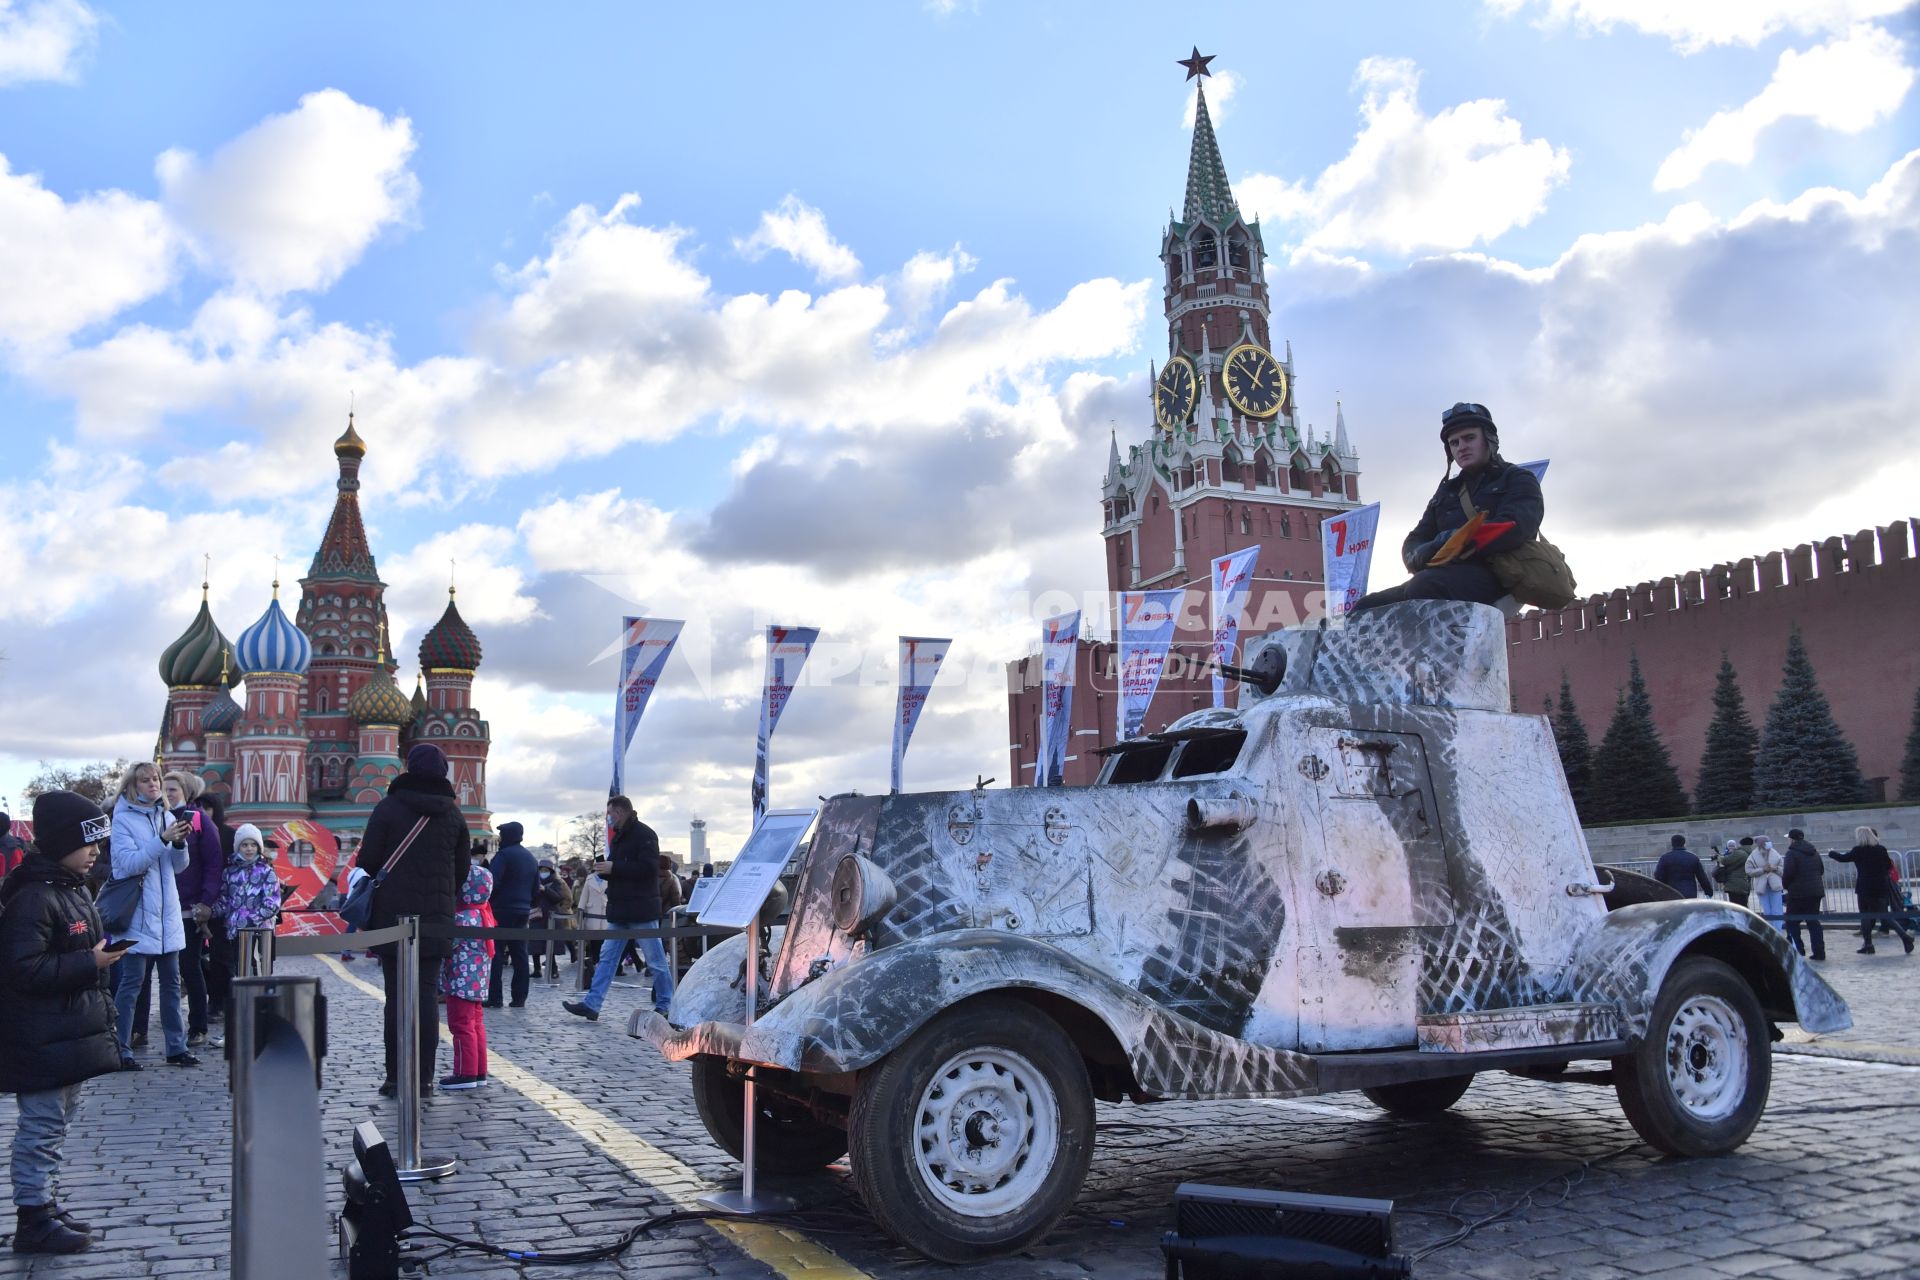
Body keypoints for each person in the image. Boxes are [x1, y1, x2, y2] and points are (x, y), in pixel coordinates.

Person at [0, 791, 123, 1255]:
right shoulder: (35, 896)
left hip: (62, 1034)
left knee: (56, 1126)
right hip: (41, 1036)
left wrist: (96, 957)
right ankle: (33, 1217)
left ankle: (45, 1204)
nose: (96, 851)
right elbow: (23, 969)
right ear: (59, 843)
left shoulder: (68, 889)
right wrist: (90, 961)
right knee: (41, 1128)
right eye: (88, 842)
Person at [1351, 402, 1544, 613]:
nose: (1461, 447)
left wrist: (1456, 541)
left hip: (1500, 575)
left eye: (1469, 438)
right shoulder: (1447, 492)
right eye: (1454, 442)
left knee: (1425, 585)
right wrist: (1436, 547)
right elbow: (1414, 541)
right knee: (1365, 607)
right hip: (1443, 574)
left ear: (1488, 439)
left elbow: (1514, 527)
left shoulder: (1517, 479)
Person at [359, 742, 470, 1097]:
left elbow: (368, 859)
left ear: (409, 767)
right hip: (436, 920)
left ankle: (395, 1077)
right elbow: (462, 871)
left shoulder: (389, 807)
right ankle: (422, 1080)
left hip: (393, 917)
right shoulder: (454, 816)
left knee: (396, 998)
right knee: (425, 997)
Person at [109, 761, 195, 1069]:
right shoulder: (122, 821)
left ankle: (176, 1047)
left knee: (172, 984)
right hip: (137, 916)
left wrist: (180, 842)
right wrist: (162, 840)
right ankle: (121, 1049)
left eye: (156, 779)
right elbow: (128, 865)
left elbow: (178, 866)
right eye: (146, 780)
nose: (154, 784)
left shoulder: (166, 815)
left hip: (166, 916)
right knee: (131, 986)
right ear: (133, 786)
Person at [565, 796, 672, 1023]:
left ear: (621, 812)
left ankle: (666, 1004)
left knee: (656, 962)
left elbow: (648, 869)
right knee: (607, 960)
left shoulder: (645, 835)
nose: (608, 818)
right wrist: (606, 870)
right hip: (620, 909)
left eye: (610, 813)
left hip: (641, 910)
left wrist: (615, 867)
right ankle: (592, 1004)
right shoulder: (619, 837)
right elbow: (622, 869)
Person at [440, 860, 494, 1090]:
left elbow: (449, 945)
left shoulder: (463, 917)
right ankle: (479, 1069)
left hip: (461, 981)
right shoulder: (484, 914)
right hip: (478, 981)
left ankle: (465, 1072)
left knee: (461, 1025)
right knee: (476, 1024)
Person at [1829, 827, 1914, 956]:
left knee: (1865, 915)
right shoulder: (1881, 849)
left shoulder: (1858, 850)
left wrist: (1831, 853)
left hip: (1865, 886)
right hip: (1881, 886)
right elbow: (1888, 866)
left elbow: (1843, 858)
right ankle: (1904, 937)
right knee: (1885, 915)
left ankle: (1868, 944)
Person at [215, 825, 282, 968]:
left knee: (258, 971)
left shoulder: (266, 872)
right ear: (238, 847)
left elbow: (272, 903)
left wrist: (250, 920)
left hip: (260, 932)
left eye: (253, 845)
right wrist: (211, 911)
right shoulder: (230, 872)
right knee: (237, 971)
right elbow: (225, 899)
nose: (249, 849)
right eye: (244, 845)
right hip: (234, 933)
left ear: (259, 847)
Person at [485, 821, 535, 1009]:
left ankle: (495, 997)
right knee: (520, 955)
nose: (499, 839)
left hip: (501, 910)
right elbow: (535, 886)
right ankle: (519, 998)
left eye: (502, 835)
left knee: (496, 954)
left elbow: (492, 882)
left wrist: (491, 901)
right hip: (523, 911)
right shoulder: (530, 857)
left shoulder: (503, 855)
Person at [1781, 829, 1826, 961]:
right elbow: (1821, 870)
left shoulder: (1791, 853)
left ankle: (1797, 950)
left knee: (1792, 922)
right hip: (1815, 891)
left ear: (1792, 839)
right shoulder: (1814, 852)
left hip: (1798, 893)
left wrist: (1786, 885)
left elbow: (1788, 873)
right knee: (1813, 922)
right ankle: (1819, 952)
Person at [533, 858, 576, 979]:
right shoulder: (534, 881)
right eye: (541, 870)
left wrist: (545, 889)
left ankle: (554, 969)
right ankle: (537, 969)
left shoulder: (557, 882)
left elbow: (558, 898)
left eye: (546, 870)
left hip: (551, 916)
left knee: (550, 945)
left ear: (551, 871)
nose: (543, 872)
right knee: (535, 944)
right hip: (536, 915)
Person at [574, 857, 609, 975]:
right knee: (594, 940)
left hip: (605, 912)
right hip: (592, 912)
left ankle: (601, 962)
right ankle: (594, 962)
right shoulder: (589, 879)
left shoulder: (609, 878)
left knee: (604, 940)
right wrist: (581, 909)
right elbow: (584, 896)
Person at [1652, 833, 1713, 899]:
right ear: (1684, 843)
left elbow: (1658, 876)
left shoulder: (1665, 858)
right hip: (1690, 892)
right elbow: (1702, 877)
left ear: (1672, 844)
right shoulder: (1693, 857)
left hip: (1671, 892)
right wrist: (1708, 892)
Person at [1745, 837, 1785, 930]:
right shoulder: (1752, 856)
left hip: (1775, 886)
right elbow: (1749, 871)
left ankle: (1778, 932)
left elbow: (1783, 869)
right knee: (1767, 911)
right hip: (1761, 887)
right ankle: (1771, 930)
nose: (1769, 844)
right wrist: (1762, 870)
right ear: (1761, 844)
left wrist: (1775, 868)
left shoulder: (1775, 854)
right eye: (1767, 842)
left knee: (1777, 911)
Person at [1715, 840, 1751, 909]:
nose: (1731, 847)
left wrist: (1718, 857)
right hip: (1741, 883)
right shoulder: (1743, 853)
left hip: (1735, 884)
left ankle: (1740, 919)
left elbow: (1725, 861)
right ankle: (1744, 918)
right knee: (1742, 905)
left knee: (1736, 906)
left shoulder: (1739, 853)